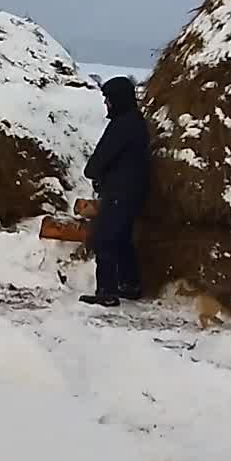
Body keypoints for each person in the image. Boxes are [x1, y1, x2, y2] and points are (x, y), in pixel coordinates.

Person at [81, 75, 150, 305]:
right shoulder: (136, 122)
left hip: (119, 192)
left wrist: (93, 172)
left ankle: (107, 292)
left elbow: (102, 157)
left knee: (104, 239)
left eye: (108, 99)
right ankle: (130, 284)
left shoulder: (122, 125)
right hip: (132, 192)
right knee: (121, 239)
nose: (106, 104)